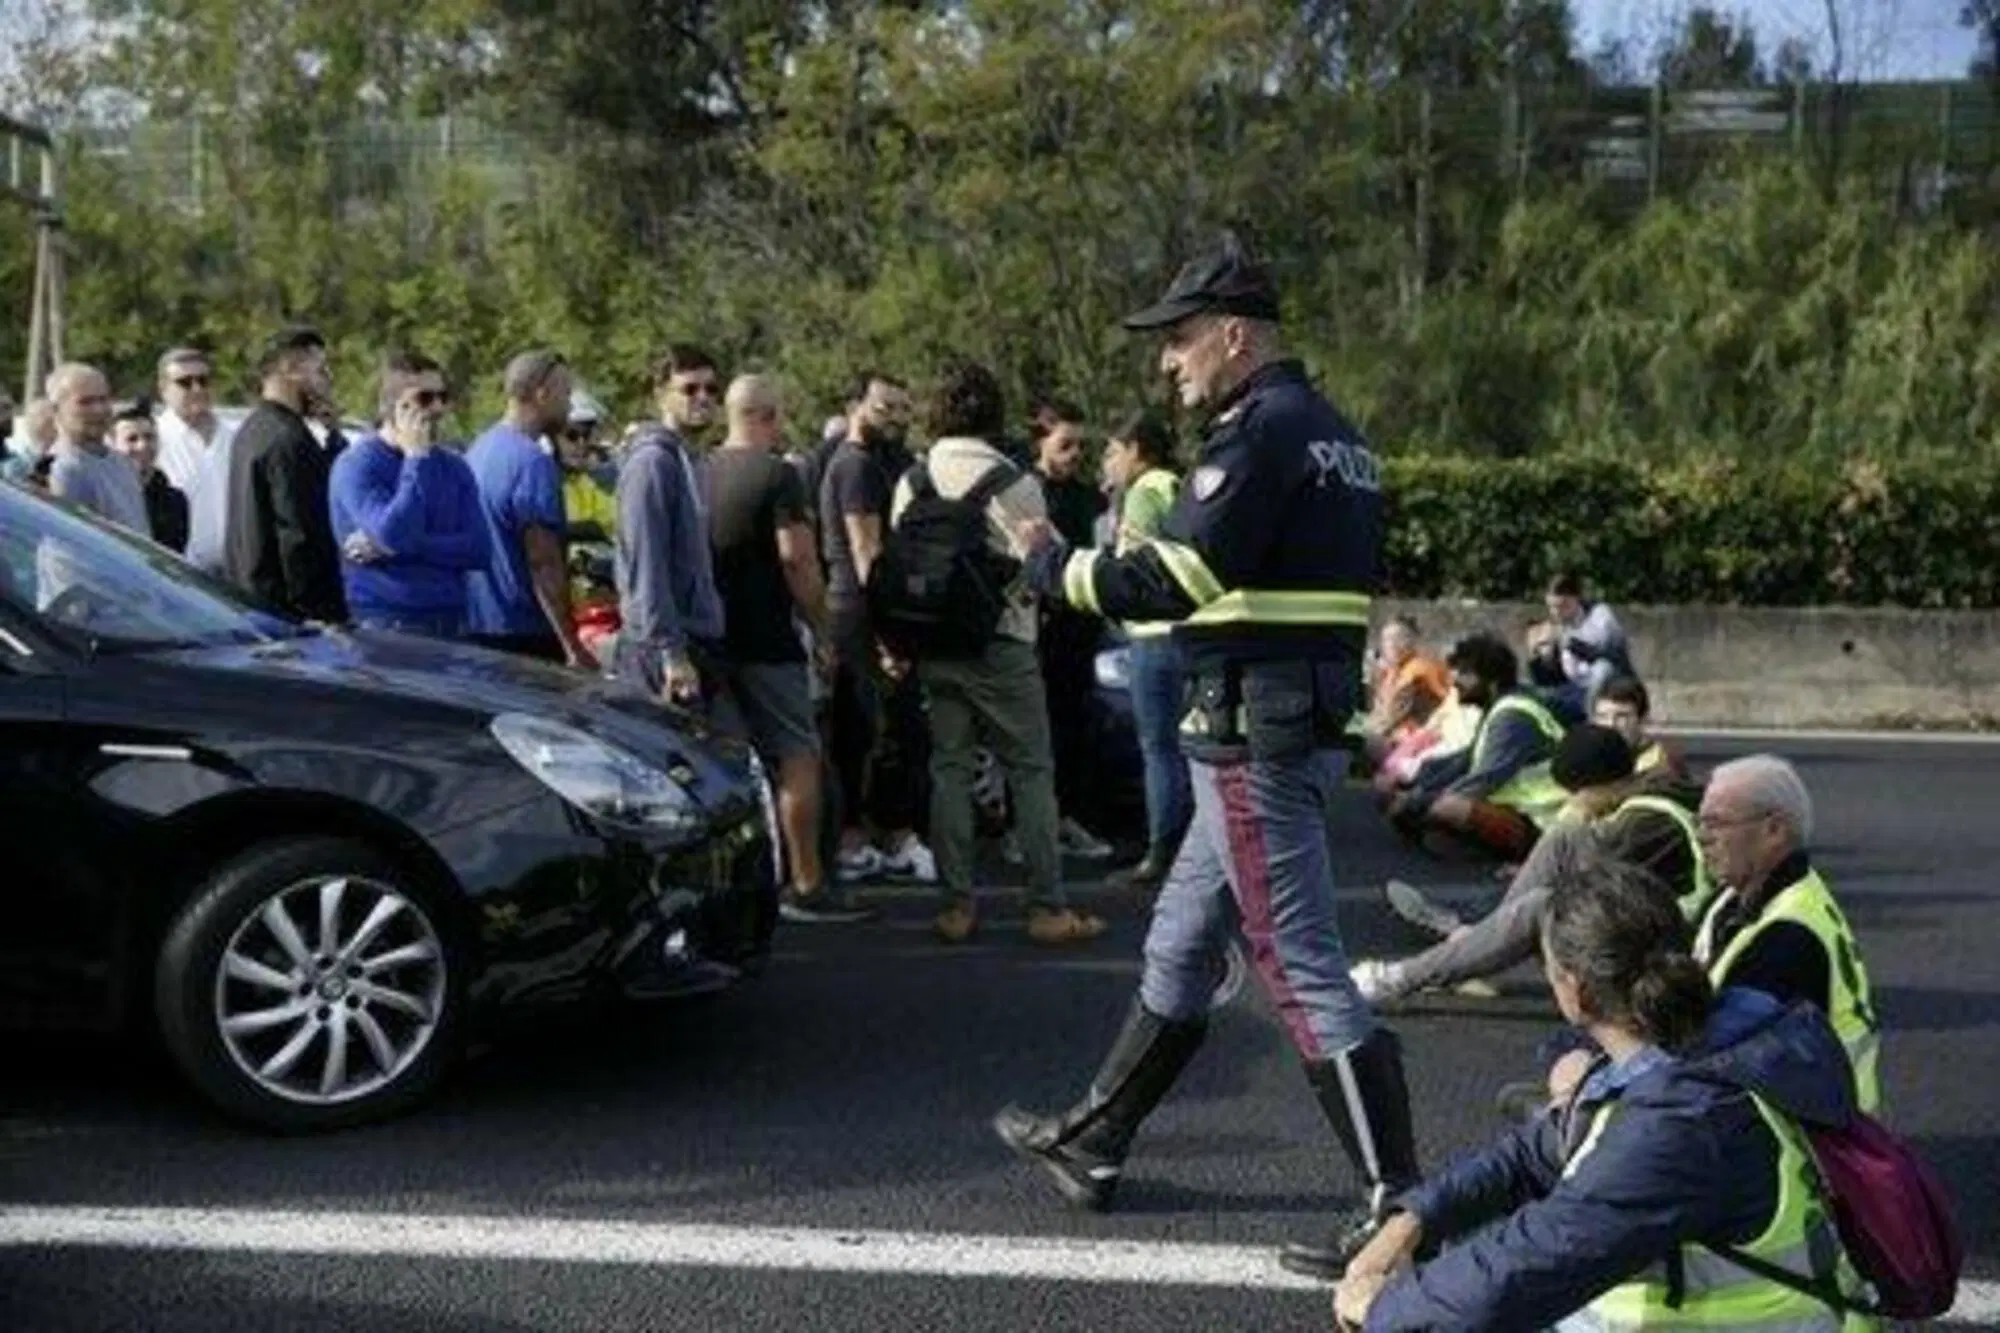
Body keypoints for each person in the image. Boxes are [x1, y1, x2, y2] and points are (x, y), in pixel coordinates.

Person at [996, 233, 1416, 1279]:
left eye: (1179, 339)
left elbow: (1172, 577)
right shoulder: (1335, 434)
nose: (1166, 361)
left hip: (1251, 741)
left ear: (1233, 336)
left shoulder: (1256, 433)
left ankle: (1397, 1207)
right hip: (1285, 730)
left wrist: (1051, 567)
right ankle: (1093, 1138)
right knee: (1179, 943)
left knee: (1299, 963)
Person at [1333, 844, 1872, 1332]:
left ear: (1577, 993)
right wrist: (1415, 1218)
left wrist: (1383, 1308)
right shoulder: (1694, 1046)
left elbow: (1527, 1266)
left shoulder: (1679, 1121)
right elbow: (1538, 1148)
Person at [894, 359, 1107, 947]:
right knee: (1032, 771)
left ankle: (957, 906)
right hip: (1004, 641)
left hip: (936, 643)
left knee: (950, 771)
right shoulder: (1013, 482)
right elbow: (1042, 561)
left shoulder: (913, 480)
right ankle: (1046, 907)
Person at [1352, 723, 1709, 1005]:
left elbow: (1585, 897)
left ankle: (1399, 978)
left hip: (1668, 966)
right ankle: (1480, 948)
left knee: (1542, 905)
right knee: (1562, 839)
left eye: (1576, 794)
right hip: (1661, 930)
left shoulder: (1641, 823)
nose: (1572, 801)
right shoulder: (1658, 794)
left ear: (1592, 787)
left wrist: (1578, 814)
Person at [703, 373, 869, 923]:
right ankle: (806, 881)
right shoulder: (778, 476)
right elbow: (797, 560)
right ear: (766, 417)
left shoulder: (698, 470)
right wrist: (821, 629)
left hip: (711, 640)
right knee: (799, 756)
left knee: (728, 768)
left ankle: (737, 883)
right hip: (768, 639)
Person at [1692, 754, 1881, 1114]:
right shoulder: (1738, 897)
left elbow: (1712, 1052)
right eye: (1699, 823)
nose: (1701, 837)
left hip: (1810, 1138)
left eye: (1715, 824)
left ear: (1774, 830)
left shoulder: (1788, 938)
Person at [819, 369, 935, 884]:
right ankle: (869, 836)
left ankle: (875, 834)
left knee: (876, 730)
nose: (894, 417)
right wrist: (891, 632)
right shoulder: (856, 467)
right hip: (860, 612)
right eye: (884, 406)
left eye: (901, 408)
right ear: (855, 406)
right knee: (874, 729)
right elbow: (868, 554)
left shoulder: (879, 463)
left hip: (862, 612)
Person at [328, 353, 485, 638]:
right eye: (425, 398)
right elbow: (394, 534)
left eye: (443, 396)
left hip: (453, 619)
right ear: (394, 407)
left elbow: (478, 548)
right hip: (387, 621)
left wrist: (410, 546)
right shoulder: (357, 465)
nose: (438, 408)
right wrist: (415, 459)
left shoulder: (454, 466)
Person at [1099, 408, 1189, 894]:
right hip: (1189, 634)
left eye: (1113, 450)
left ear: (1137, 450)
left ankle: (1160, 852)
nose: (1107, 462)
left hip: (1153, 637)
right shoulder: (1177, 487)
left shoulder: (1141, 494)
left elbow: (1132, 573)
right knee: (1187, 748)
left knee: (1157, 749)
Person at [1383, 630, 1567, 865]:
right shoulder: (1498, 706)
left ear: (1491, 681)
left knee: (1448, 806)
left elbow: (1483, 779)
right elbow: (1466, 760)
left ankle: (1510, 855)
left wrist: (1421, 802)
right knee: (1418, 803)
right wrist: (1418, 784)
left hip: (1540, 822)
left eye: (1466, 673)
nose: (1455, 679)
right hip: (1515, 809)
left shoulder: (1511, 717)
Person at [465, 349, 595, 666]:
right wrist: (570, 644)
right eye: (565, 394)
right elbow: (542, 561)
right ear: (542, 394)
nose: (568, 405)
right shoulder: (531, 462)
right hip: (524, 634)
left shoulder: (477, 450)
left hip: (477, 626)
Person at [613, 344, 726, 704]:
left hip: (696, 641)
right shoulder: (652, 463)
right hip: (660, 652)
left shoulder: (686, 459)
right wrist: (670, 653)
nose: (703, 398)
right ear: (661, 394)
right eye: (690, 389)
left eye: (711, 389)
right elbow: (646, 565)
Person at [1032, 399, 1116, 862]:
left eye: (1081, 446)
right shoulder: (1025, 492)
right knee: (1034, 736)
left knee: (1075, 729)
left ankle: (1069, 818)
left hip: (1080, 629)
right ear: (1040, 443)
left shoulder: (1091, 500)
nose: (1074, 455)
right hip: (1036, 630)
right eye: (1065, 445)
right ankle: (1029, 826)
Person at [224, 326, 346, 624]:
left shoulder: (253, 430)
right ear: (291, 369)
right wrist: (320, 614)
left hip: (253, 605)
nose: (328, 380)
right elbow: (298, 536)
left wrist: (333, 438)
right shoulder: (287, 439)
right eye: (321, 369)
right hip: (288, 617)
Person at [43, 365, 150, 539]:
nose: (98, 409)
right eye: (85, 402)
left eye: (103, 399)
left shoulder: (124, 463)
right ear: (56, 410)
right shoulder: (61, 469)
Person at [1528, 572, 1633, 716]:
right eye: (1551, 607)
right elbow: (1550, 680)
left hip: (1605, 688)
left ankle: (1593, 720)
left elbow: (1608, 654)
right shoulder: (1554, 626)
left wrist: (1569, 643)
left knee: (1603, 669)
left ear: (1575, 599)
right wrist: (1539, 657)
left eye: (1562, 606)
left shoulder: (1600, 615)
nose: (1556, 613)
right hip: (1573, 690)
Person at [1362, 617, 1452, 768]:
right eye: (1386, 639)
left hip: (1413, 741)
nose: (1390, 644)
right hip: (1395, 738)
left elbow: (1389, 718)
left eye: (1398, 638)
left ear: (1410, 643)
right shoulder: (1391, 671)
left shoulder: (1419, 670)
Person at [108, 401, 189, 553]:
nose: (142, 445)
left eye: (149, 437)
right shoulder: (105, 497)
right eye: (132, 439)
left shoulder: (175, 501)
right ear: (113, 444)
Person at [151, 347, 234, 496]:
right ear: (162, 389)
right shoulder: (151, 439)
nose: (197, 389)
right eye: (185, 382)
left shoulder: (236, 435)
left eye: (203, 381)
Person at [1593, 673, 1685, 777]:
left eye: (1621, 716)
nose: (1610, 724)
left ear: (1642, 719)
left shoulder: (1662, 762)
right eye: (1602, 716)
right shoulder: (1585, 760)